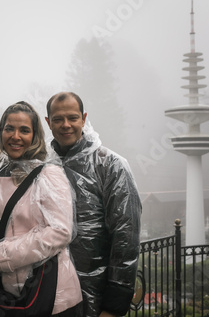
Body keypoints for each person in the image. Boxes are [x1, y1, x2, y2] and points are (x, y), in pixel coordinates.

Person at [0, 101, 83, 316]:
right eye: (9, 128)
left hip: (51, 295)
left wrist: (2, 257)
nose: (15, 136)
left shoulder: (49, 174)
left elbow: (60, 231)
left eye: (24, 130)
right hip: (4, 290)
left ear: (35, 136)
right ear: (1, 132)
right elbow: (3, 221)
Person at [45, 92, 142, 317]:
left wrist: (114, 303)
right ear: (48, 122)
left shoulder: (111, 165)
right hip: (49, 294)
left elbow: (126, 235)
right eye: (58, 119)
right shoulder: (44, 166)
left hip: (97, 295)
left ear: (84, 118)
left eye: (72, 117)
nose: (66, 125)